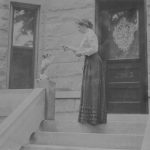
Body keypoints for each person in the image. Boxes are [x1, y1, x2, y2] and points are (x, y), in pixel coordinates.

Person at [63, 19, 107, 125]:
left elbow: (94, 49)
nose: (78, 29)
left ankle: (94, 118)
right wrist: (69, 48)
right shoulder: (86, 35)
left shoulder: (91, 34)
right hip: (89, 61)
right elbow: (80, 50)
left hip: (94, 62)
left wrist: (81, 53)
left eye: (79, 27)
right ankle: (89, 118)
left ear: (84, 26)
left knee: (93, 88)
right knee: (88, 87)